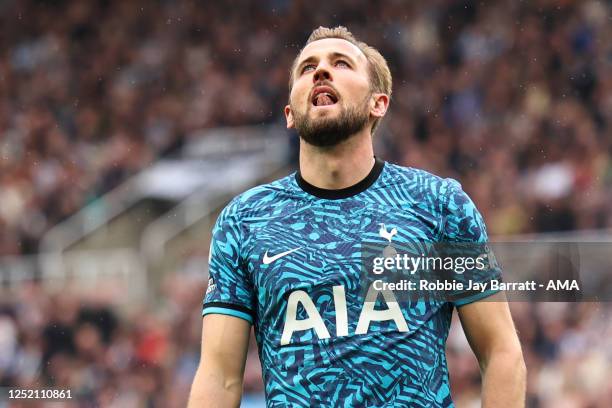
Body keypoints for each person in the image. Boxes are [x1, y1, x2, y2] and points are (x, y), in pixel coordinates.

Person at [188, 26, 526, 407]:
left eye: (341, 63)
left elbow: (500, 351)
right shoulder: (244, 221)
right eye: (307, 68)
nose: (320, 72)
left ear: (377, 103)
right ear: (290, 114)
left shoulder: (438, 204)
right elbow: (219, 378)